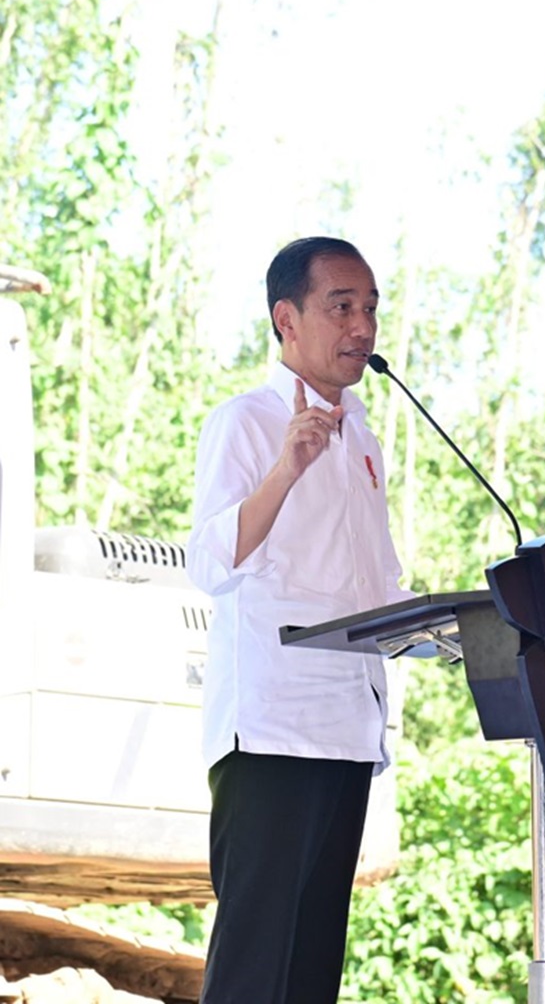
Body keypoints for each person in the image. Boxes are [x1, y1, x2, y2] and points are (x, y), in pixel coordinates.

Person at [186, 237, 405, 1004]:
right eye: (341, 307)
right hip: (272, 731)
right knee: (255, 972)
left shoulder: (367, 440)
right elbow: (208, 564)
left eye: (371, 308)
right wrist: (287, 469)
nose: (363, 326)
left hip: (347, 730)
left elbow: (376, 586)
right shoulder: (245, 423)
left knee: (312, 974)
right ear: (287, 318)